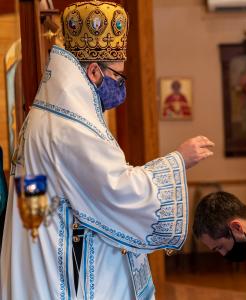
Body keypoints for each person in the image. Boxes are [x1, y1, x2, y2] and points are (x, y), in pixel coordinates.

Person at [0, 2, 214, 300]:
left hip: (46, 242)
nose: (121, 86)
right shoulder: (69, 125)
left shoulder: (55, 111)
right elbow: (116, 187)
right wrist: (177, 162)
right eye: (118, 76)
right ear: (94, 71)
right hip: (59, 261)